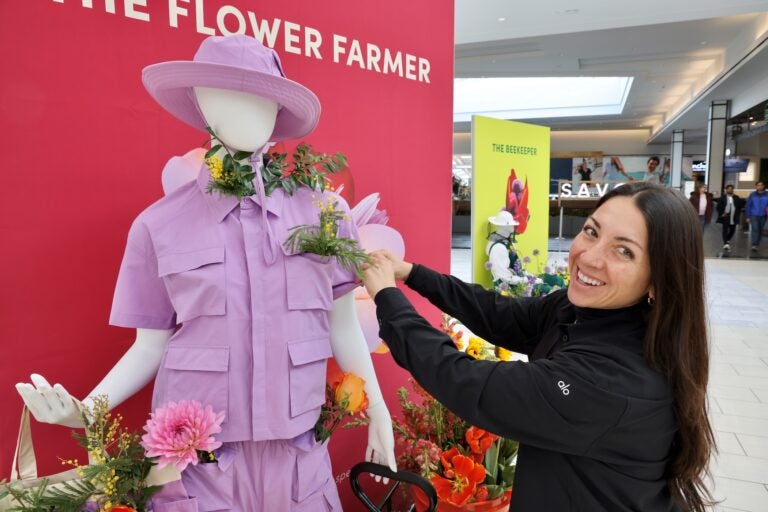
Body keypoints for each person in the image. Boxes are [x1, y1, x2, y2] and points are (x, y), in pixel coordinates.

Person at [16, 35, 395, 511]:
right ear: (200, 105)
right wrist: (89, 410)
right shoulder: (158, 225)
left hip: (300, 462)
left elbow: (341, 323)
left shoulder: (324, 211)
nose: (243, 110)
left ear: (279, 110)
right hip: (200, 469)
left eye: (259, 97)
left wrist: (377, 407)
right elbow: (149, 344)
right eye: (223, 94)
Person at [362, 182, 715, 512]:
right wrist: (412, 274)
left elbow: (467, 382)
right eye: (591, 231)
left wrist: (387, 299)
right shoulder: (588, 311)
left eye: (624, 251)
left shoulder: (613, 379)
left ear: (658, 280)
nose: (590, 257)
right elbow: (504, 314)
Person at [715, 184, 744, 251]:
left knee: (732, 230)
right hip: (725, 216)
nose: (730, 190)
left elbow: (740, 206)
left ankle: (727, 239)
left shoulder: (736, 197)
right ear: (726, 190)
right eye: (729, 189)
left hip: (734, 216)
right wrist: (722, 213)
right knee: (725, 230)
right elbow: (718, 207)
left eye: (731, 189)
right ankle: (725, 243)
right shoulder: (722, 198)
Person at [745, 181, 768, 251]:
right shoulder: (752, 195)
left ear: (763, 186)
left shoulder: (767, 194)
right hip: (754, 214)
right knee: (755, 229)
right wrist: (748, 216)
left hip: (763, 215)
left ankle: (757, 243)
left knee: (760, 230)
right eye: (758, 185)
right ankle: (754, 245)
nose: (760, 186)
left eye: (761, 185)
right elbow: (748, 205)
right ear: (756, 186)